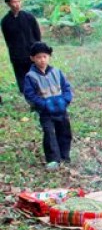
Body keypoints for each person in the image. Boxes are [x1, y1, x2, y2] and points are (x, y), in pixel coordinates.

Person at [23, 42, 73, 171]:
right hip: (46, 112)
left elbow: (66, 87)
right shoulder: (30, 77)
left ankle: (64, 156)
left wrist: (65, 100)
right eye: (38, 57)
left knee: (65, 132)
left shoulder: (56, 72)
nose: (42, 60)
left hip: (61, 109)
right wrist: (44, 104)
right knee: (49, 134)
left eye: (44, 56)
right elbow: (30, 95)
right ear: (32, 58)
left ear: (49, 57)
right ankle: (53, 160)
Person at [2, 0, 41, 93]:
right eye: (14, 2)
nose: (17, 4)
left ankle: (36, 90)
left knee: (34, 73)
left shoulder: (29, 17)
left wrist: (37, 49)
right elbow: (8, 39)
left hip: (31, 51)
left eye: (18, 1)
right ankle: (24, 91)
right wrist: (12, 50)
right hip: (16, 53)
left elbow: (37, 34)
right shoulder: (5, 21)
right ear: (8, 4)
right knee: (20, 74)